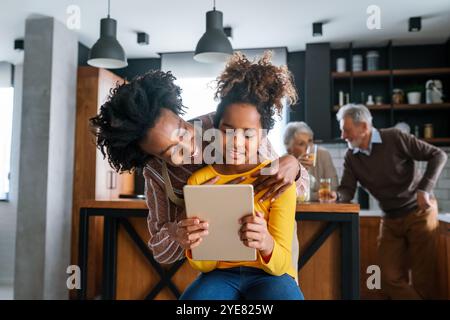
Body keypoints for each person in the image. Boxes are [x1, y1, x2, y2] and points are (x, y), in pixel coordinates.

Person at [90, 69, 308, 265]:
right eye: (170, 152)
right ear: (152, 157)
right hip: (216, 264)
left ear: (178, 114)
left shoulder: (227, 125)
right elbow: (161, 252)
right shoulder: (156, 172)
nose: (190, 148)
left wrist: (293, 165)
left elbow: (301, 189)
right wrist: (177, 231)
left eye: (183, 130)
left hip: (269, 249)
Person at [180, 51, 303, 300]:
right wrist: (193, 244)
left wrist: (265, 242)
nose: (236, 142)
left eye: (248, 134)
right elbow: (203, 266)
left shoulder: (278, 179)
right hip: (219, 275)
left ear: (263, 135)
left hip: (270, 275)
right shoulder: (199, 182)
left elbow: (279, 265)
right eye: (227, 131)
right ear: (215, 130)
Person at [333, 104, 447, 299]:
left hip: (419, 212)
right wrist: (335, 196)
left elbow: (438, 154)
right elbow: (347, 190)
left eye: (346, 130)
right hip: (391, 219)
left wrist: (424, 189)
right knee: (386, 276)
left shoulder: (394, 137)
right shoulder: (351, 156)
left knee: (423, 278)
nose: (343, 136)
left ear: (364, 127)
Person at [284, 121, 338, 201]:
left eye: (310, 141)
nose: (308, 147)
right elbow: (287, 196)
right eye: (301, 144)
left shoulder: (323, 155)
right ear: (289, 150)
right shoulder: (284, 162)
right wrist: (298, 171)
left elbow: (333, 188)